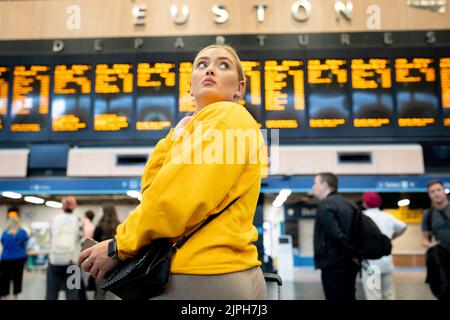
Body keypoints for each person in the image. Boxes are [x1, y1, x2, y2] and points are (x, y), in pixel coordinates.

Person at [79, 44, 267, 299]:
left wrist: (118, 247)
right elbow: (153, 191)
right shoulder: (202, 127)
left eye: (224, 65)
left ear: (239, 88)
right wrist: (174, 138)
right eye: (202, 64)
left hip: (204, 276)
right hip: (216, 273)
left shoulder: (227, 117)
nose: (210, 68)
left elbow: (172, 202)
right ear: (190, 85)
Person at [312, 172, 360, 300]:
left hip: (333, 265)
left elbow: (336, 234)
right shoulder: (351, 205)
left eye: (315, 183)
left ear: (324, 185)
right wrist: (356, 254)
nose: (313, 187)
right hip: (351, 265)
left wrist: (353, 252)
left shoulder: (325, 205)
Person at [360, 192, 407, 300]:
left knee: (374, 295)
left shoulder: (362, 217)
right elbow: (403, 226)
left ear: (365, 202)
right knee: (389, 294)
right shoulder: (387, 216)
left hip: (371, 265)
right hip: (387, 262)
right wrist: (392, 238)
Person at [46, 196, 85, 300]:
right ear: (74, 206)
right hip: (73, 263)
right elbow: (82, 240)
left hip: (54, 261)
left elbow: (49, 237)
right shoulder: (78, 220)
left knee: (51, 294)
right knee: (73, 295)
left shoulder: (54, 219)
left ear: (62, 206)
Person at [421, 180, 450, 300]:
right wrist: (429, 244)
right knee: (444, 291)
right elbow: (423, 239)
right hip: (443, 258)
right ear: (429, 195)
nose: (436, 193)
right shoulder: (428, 214)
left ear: (444, 191)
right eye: (432, 191)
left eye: (438, 190)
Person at [92, 205, 121, 300]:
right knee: (114, 295)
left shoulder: (99, 227)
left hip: (101, 266)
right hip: (117, 267)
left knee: (100, 294)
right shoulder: (120, 226)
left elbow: (93, 246)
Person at [0, 208, 29, 300]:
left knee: (5, 279)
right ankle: (15, 296)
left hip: (6, 259)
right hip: (19, 259)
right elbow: (26, 243)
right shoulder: (22, 232)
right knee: (17, 278)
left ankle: (5, 296)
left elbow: (3, 243)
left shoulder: (5, 233)